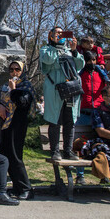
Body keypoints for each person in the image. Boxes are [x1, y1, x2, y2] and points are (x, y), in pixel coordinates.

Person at [40, 27, 85, 160]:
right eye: (57, 33)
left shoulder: (69, 50)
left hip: (71, 88)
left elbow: (80, 65)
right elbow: (48, 60)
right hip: (55, 88)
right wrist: (54, 45)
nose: (60, 35)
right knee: (55, 120)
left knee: (69, 121)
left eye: (62, 33)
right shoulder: (45, 49)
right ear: (51, 35)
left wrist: (74, 49)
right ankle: (55, 151)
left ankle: (68, 150)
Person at [0, 61, 35, 200]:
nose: (14, 72)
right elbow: (0, 101)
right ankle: (16, 187)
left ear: (22, 71)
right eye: (11, 69)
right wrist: (0, 106)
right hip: (5, 125)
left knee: (15, 156)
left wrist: (13, 90)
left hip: (18, 125)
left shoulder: (25, 86)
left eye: (17, 69)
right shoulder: (5, 86)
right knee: (6, 156)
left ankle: (26, 189)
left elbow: (23, 103)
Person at [75, 50, 106, 184]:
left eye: (94, 60)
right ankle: (80, 175)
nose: (91, 63)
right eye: (89, 61)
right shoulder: (79, 75)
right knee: (80, 144)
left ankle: (104, 174)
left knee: (102, 144)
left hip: (98, 113)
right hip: (83, 113)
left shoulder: (101, 74)